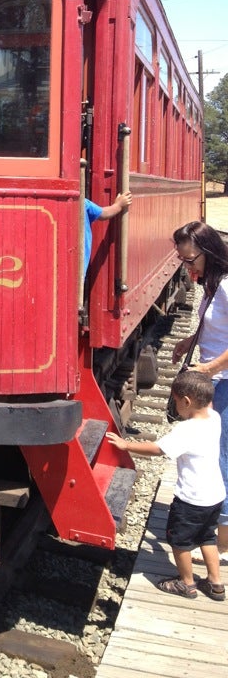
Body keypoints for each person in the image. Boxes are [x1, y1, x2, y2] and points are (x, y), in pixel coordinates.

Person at [107, 370, 226, 600]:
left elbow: (158, 449)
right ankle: (215, 583)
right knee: (207, 537)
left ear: (186, 401)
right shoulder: (214, 418)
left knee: (180, 542)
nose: (174, 406)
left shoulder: (185, 430)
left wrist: (126, 445)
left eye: (175, 401)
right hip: (214, 495)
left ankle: (187, 583)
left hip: (191, 500)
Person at [171, 219, 228, 559]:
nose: (186, 266)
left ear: (208, 253)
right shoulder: (213, 283)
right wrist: (191, 341)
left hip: (223, 382)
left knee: (220, 455)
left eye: (190, 260)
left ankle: (222, 541)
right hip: (217, 380)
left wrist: (207, 368)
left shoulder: (225, 287)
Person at [84, 191, 132, 275]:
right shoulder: (82, 203)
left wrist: (118, 205)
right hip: (79, 266)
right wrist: (118, 205)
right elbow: (104, 213)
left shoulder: (84, 203)